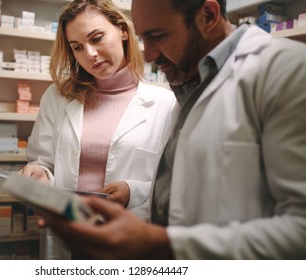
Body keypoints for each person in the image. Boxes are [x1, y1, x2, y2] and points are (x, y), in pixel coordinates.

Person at [42, 0, 306, 259]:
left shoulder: (288, 70)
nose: (149, 55)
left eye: (158, 36)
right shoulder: (189, 87)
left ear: (209, 15)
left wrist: (164, 244)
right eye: (144, 38)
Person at [21, 0, 176, 259]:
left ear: (123, 31)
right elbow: (43, 161)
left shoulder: (166, 104)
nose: (89, 54)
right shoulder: (57, 97)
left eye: (97, 38)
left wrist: (132, 191)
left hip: (126, 240)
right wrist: (39, 173)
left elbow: (173, 184)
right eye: (78, 47)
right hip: (68, 235)